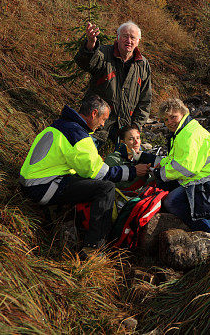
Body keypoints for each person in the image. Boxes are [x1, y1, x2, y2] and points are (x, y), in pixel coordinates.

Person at [19, 96, 150, 248]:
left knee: (86, 181)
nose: (102, 125)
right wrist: (133, 171)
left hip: (31, 182)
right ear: (94, 113)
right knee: (105, 188)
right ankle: (95, 246)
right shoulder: (78, 135)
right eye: (103, 119)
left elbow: (75, 163)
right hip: (42, 187)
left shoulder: (61, 125)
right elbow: (101, 174)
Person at [154, 99, 210, 239]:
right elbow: (177, 158)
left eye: (173, 117)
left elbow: (186, 167)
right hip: (209, 178)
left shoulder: (189, 134)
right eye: (165, 119)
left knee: (171, 202)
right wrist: (159, 164)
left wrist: (159, 173)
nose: (169, 122)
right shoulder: (184, 130)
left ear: (183, 113)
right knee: (164, 186)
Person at [75, 20, 152, 145]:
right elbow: (85, 63)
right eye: (125, 36)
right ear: (117, 37)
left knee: (128, 162)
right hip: (97, 123)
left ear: (138, 41)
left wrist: (136, 127)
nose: (129, 40)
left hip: (125, 127)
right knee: (84, 158)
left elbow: (145, 100)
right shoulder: (103, 53)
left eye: (133, 37)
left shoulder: (143, 64)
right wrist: (90, 45)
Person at [104, 124, 157, 194]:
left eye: (138, 138)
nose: (136, 142)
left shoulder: (146, 157)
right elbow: (120, 185)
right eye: (131, 139)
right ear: (123, 142)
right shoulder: (113, 159)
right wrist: (137, 172)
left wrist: (155, 174)